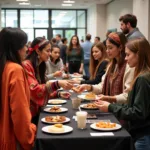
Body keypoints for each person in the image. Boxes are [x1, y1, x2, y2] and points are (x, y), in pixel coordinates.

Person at [95, 38, 150, 150]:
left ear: (138, 54)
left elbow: (138, 112)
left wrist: (110, 107)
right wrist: (110, 104)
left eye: (128, 55)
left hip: (142, 135)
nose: (125, 58)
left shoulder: (143, 79)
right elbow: (131, 105)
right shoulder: (142, 74)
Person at [0, 27, 36, 150]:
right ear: (16, 47)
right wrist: (29, 137)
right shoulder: (15, 70)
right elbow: (19, 111)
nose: (27, 49)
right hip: (12, 139)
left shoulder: (4, 66)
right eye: (25, 45)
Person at [23, 37, 73, 124]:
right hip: (29, 115)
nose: (50, 54)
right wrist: (57, 84)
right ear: (38, 51)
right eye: (48, 51)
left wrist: (58, 93)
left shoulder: (40, 65)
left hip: (36, 111)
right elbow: (35, 90)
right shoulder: (26, 65)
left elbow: (43, 90)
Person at [78, 32, 134, 104]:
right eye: (107, 47)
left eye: (110, 48)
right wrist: (89, 87)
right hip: (110, 107)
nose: (107, 51)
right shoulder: (111, 65)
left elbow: (128, 96)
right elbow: (102, 85)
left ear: (120, 47)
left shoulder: (129, 66)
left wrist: (109, 98)